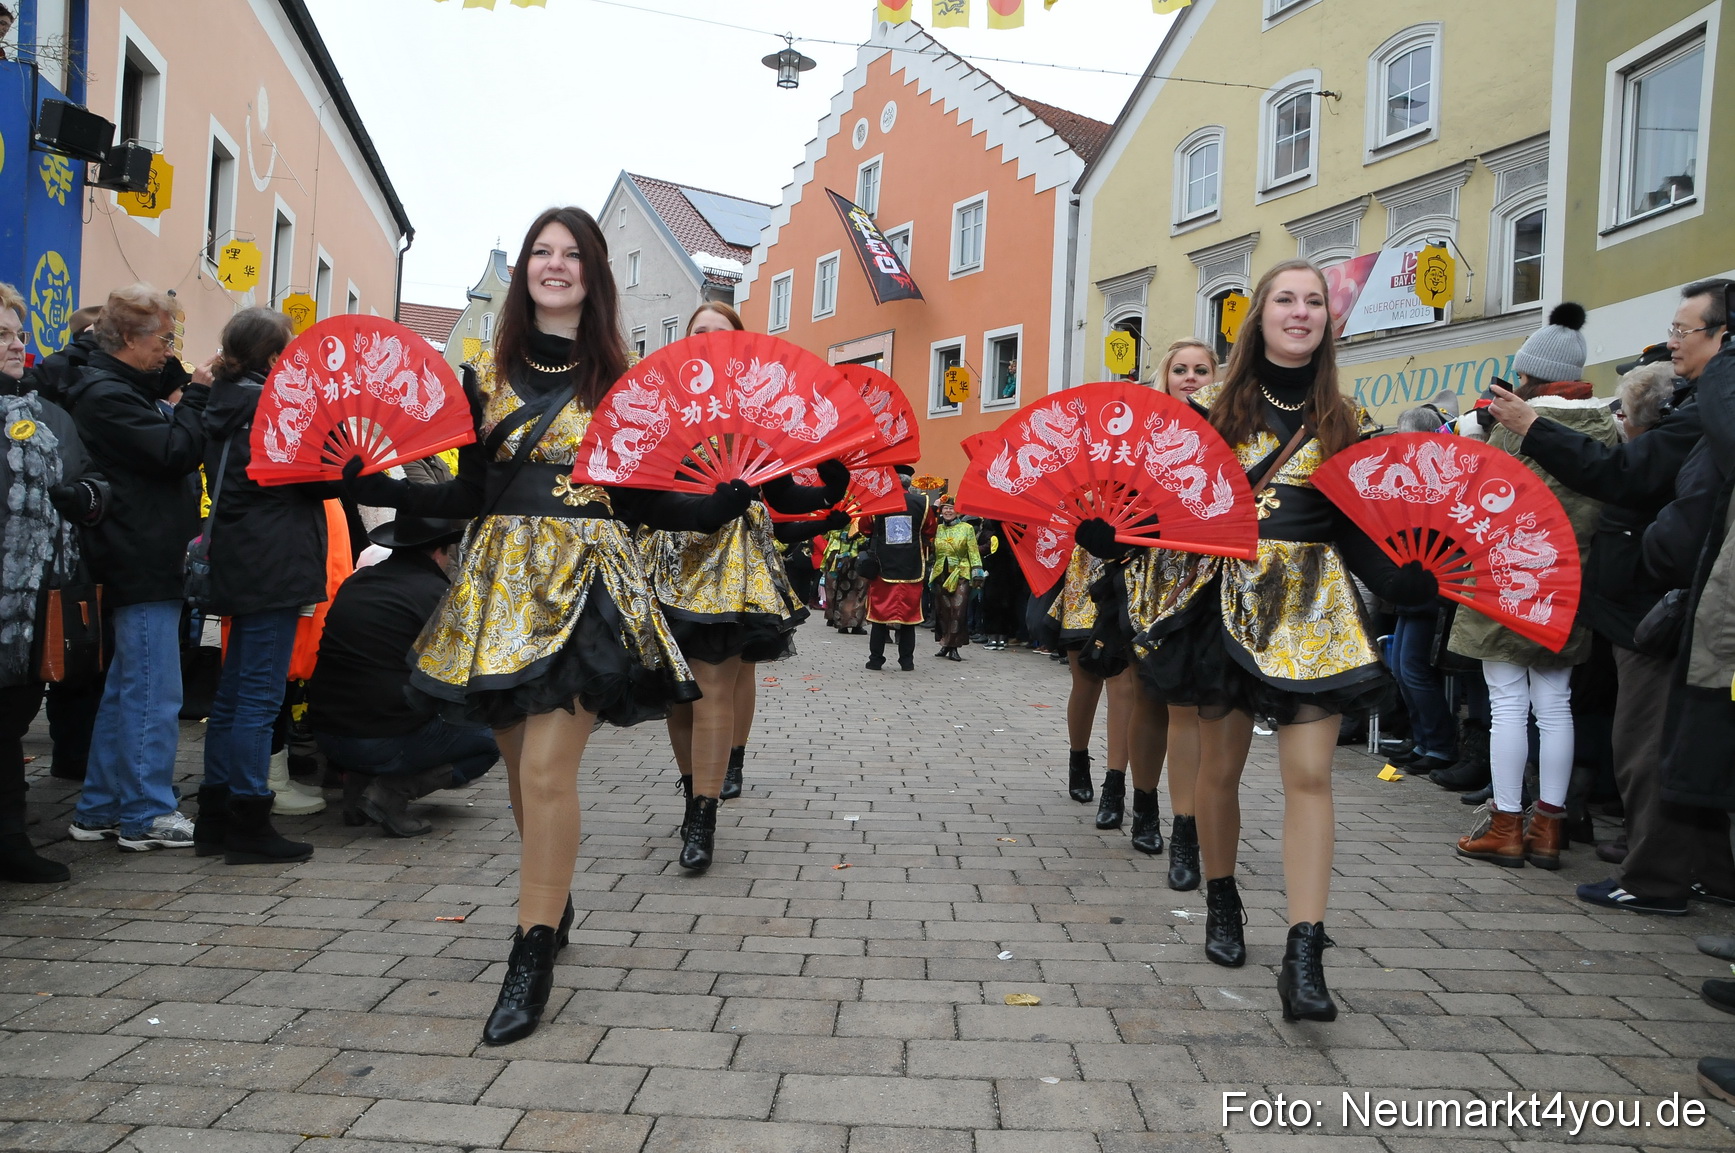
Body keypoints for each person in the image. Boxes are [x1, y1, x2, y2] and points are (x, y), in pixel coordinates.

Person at [343, 207, 746, 1046]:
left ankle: (529, 952)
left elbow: (639, 499)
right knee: (522, 770)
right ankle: (553, 902)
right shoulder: (481, 375)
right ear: (525, 269)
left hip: (591, 583)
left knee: (551, 767)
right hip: (498, 589)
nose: (554, 264)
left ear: (593, 275)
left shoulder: (627, 382)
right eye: (541, 252)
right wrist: (371, 484)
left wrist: (714, 502)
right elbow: (464, 496)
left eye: (571, 254)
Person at [1138, 260, 1432, 1021]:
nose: (1300, 312)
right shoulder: (1204, 410)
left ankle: (1305, 950)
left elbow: (1359, 536)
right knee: (1221, 769)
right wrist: (1110, 538)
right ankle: (1223, 895)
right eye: (1285, 300)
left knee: (1310, 776)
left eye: (1312, 302)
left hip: (1312, 609)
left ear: (1325, 322)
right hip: (1221, 601)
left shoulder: (1349, 420)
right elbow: (1160, 514)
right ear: (1258, 316)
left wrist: (1411, 577)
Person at [1489, 279, 1730, 915]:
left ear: (1722, 338)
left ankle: (1646, 874)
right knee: (1576, 713)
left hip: (1642, 601)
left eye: (1684, 331)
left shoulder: (1705, 412)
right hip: (1637, 597)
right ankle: (1702, 870)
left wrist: (1530, 427)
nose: (1673, 342)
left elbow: (1626, 477)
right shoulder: (1690, 408)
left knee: (1634, 741)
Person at [1451, 304, 1617, 869]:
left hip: (1507, 582)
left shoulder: (1514, 432)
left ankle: (1506, 824)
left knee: (1506, 707)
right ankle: (1549, 826)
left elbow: (1473, 503)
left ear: (1528, 374)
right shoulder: (1605, 431)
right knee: (1556, 706)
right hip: (1568, 583)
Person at [63, 284, 208, 852]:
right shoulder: (106, 394)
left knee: (129, 688)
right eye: (162, 338)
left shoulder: (117, 386)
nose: (168, 349)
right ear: (127, 337)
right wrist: (194, 397)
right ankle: (146, 810)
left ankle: (99, 806)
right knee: (152, 689)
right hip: (138, 553)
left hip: (143, 550)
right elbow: (174, 451)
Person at [188, 308, 333, 865]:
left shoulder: (223, 402)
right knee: (258, 698)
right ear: (275, 357)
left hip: (237, 557)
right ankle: (249, 819)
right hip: (274, 562)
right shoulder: (272, 408)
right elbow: (317, 482)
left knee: (231, 695)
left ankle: (215, 816)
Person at [0, 283, 105, 883]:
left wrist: (87, 497)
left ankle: (10, 840)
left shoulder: (49, 415)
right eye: (3, 336)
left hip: (33, 604)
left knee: (11, 720)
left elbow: (95, 482)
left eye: (19, 333)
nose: (18, 346)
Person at [309, 511, 499, 837]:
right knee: (492, 739)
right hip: (379, 739)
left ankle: (360, 784)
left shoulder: (358, 581)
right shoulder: (434, 593)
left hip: (326, 735)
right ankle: (392, 792)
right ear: (439, 552)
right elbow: (466, 668)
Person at [860, 467, 932, 672]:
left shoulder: (879, 503)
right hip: (912, 566)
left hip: (883, 566)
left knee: (878, 617)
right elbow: (930, 529)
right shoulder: (923, 503)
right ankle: (906, 662)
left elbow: (865, 527)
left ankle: (875, 660)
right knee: (909, 619)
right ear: (909, 483)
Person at [929, 497, 982, 660]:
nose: (948, 511)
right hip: (940, 573)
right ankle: (946, 643)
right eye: (945, 508)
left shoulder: (967, 528)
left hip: (961, 573)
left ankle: (954, 647)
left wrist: (977, 571)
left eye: (951, 508)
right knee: (943, 611)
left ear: (957, 510)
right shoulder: (937, 529)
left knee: (958, 611)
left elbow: (973, 550)